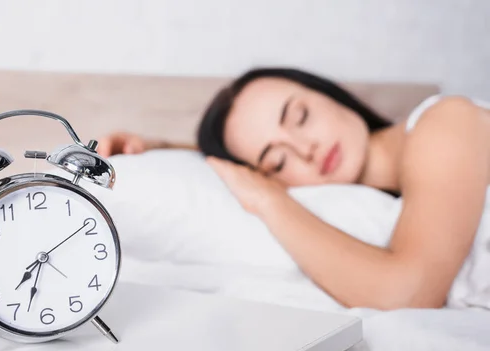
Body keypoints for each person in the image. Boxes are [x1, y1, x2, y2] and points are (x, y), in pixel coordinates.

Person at [97, 68, 490, 310]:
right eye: (279, 162)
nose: (306, 149)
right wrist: (166, 147)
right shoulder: (416, 174)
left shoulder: (445, 123)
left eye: (300, 116)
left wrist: (270, 202)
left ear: (329, 90)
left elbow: (407, 294)